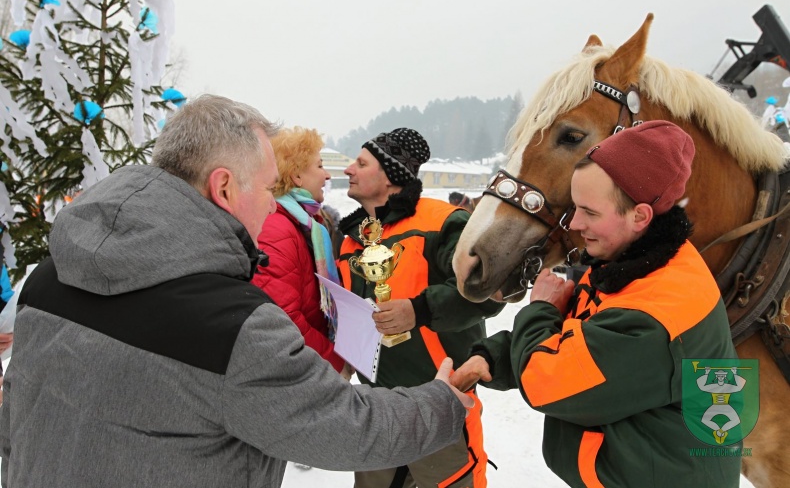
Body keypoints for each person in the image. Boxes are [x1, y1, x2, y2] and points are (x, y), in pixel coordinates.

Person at [0, 95, 475, 488]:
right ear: (224, 187)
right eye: (269, 187)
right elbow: (343, 426)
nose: (274, 202)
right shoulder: (232, 326)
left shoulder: (49, 276)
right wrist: (440, 404)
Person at [452, 120, 741, 487]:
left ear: (640, 216)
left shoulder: (655, 318)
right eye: (575, 207)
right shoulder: (631, 263)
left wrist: (539, 308)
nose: (574, 222)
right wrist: (492, 356)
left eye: (589, 212)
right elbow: (582, 336)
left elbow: (548, 381)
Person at [337, 127, 504, 488]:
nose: (348, 169)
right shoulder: (352, 239)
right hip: (376, 408)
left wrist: (419, 310)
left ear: (389, 177)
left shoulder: (443, 222)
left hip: (438, 401)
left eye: (361, 163)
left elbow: (487, 292)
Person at [252, 126, 350, 378]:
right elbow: (282, 318)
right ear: (296, 175)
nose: (327, 175)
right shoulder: (277, 227)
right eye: (319, 166)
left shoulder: (303, 224)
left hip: (305, 365)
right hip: (296, 372)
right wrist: (333, 360)